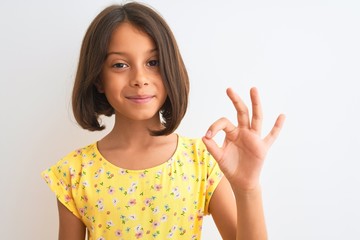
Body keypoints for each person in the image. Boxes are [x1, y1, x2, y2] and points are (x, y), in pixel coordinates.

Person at [41, 2, 285, 240]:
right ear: (98, 79)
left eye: (153, 62)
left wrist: (247, 189)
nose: (140, 78)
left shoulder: (202, 160)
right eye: (120, 65)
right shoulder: (74, 172)